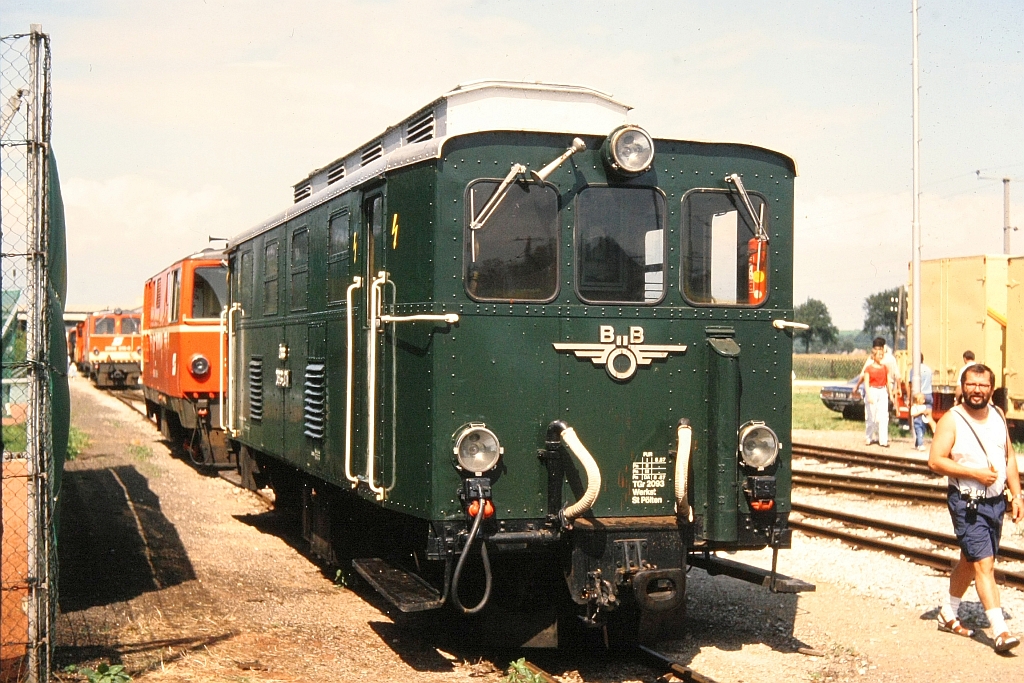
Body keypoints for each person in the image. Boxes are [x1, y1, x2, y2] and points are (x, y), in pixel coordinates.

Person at [928, 364, 1023, 653]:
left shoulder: (998, 415)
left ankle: (947, 611)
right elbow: (935, 461)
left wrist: (1017, 495)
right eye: (971, 384)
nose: (977, 390)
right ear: (963, 387)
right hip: (967, 502)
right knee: (985, 564)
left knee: (970, 561)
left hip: (995, 503)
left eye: (983, 385)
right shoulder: (952, 420)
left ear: (991, 389)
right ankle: (1000, 631)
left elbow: (1008, 457)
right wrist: (975, 474)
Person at [852, 338, 897, 447]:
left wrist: (890, 394)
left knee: (883, 416)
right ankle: (869, 437)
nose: (881, 357)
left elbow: (887, 382)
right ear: (874, 355)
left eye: (882, 354)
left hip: (882, 391)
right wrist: (868, 395)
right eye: (879, 355)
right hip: (872, 390)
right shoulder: (869, 367)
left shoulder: (885, 366)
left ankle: (883, 440)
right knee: (871, 415)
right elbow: (866, 382)